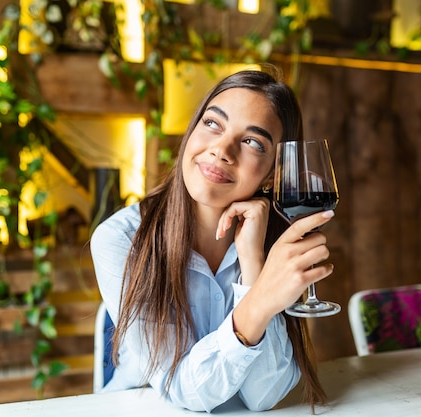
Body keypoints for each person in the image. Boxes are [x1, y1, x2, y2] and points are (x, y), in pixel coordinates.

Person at [90, 68, 335, 412]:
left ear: (272, 174)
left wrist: (252, 264)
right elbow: (184, 392)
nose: (222, 149)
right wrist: (261, 298)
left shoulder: (266, 242)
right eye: (212, 124)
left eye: (252, 141)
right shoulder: (122, 240)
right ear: (191, 133)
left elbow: (264, 396)